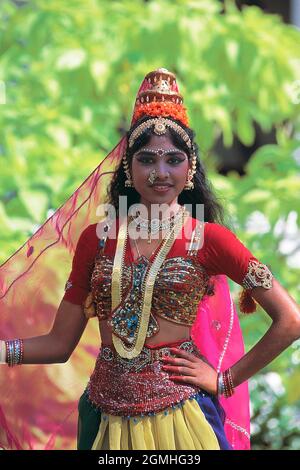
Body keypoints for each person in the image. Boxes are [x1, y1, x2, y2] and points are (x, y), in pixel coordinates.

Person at [1, 68, 300, 451]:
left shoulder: (209, 239)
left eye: (173, 160)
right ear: (129, 167)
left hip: (183, 421)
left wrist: (225, 380)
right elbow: (60, 344)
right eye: (147, 160)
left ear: (189, 168)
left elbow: (290, 320)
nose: (160, 173)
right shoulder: (98, 239)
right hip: (104, 421)